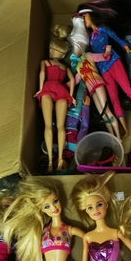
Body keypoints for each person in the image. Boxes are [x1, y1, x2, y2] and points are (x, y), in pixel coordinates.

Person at [77, 0, 131, 138]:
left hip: (113, 61)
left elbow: (116, 38)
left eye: (84, 17)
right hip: (103, 69)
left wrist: (126, 47)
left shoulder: (103, 29)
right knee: (114, 99)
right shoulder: (90, 38)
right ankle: (125, 130)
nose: (83, 21)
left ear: (90, 15)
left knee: (127, 89)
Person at [68, 14, 122, 140]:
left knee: (106, 110)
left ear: (80, 45)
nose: (74, 50)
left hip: (97, 84)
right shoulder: (78, 65)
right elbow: (76, 80)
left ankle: (118, 136)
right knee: (102, 114)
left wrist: (106, 53)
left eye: (75, 46)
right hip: (92, 90)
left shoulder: (89, 55)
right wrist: (64, 85)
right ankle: (113, 137)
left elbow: (101, 57)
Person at [34, 25, 76, 172]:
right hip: (62, 91)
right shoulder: (65, 67)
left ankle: (51, 162)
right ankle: (60, 159)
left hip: (48, 88)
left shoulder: (45, 62)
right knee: (60, 126)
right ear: (63, 55)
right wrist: (71, 95)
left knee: (47, 125)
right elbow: (72, 80)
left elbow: (42, 74)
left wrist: (40, 89)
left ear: (51, 49)